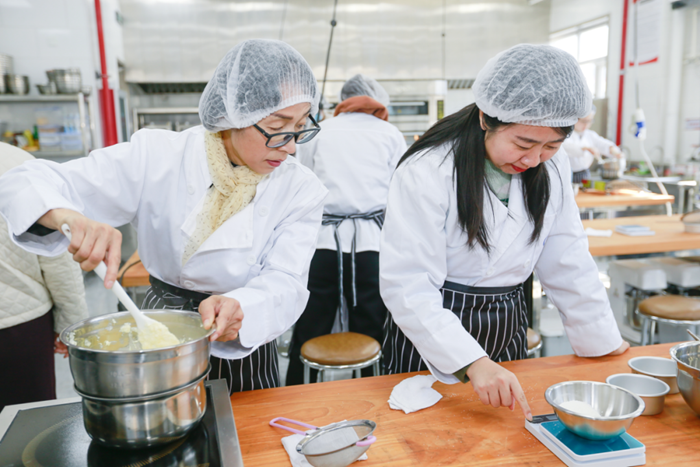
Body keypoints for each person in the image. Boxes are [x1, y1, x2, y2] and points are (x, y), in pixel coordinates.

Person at [0, 39, 328, 394]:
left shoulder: (300, 188)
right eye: (278, 127)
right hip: (159, 329)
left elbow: (286, 280)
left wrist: (242, 307)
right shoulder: (159, 156)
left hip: (244, 337)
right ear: (237, 115)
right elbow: (24, 180)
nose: (291, 146)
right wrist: (68, 216)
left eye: (300, 127)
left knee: (248, 428)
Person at [379, 44, 629, 420]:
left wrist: (604, 344)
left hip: (506, 320)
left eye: (551, 146)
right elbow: (408, 284)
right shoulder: (428, 169)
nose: (533, 159)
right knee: (428, 432)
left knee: (508, 433)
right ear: (486, 118)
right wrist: (471, 361)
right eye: (523, 144)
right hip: (430, 331)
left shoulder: (553, 167)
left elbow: (568, 259)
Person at [286, 75, 407, 385]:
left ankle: (296, 395)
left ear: (344, 100)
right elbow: (400, 192)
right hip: (372, 247)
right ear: (377, 102)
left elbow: (301, 183)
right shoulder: (390, 134)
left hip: (323, 245)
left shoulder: (320, 131)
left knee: (310, 324)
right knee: (372, 328)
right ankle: (373, 393)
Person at [0, 143, 89, 411]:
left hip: (18, 321)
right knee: (27, 424)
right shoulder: (16, 163)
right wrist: (71, 324)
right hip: (18, 328)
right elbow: (57, 258)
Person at [563, 105, 624, 183]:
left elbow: (603, 144)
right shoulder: (565, 134)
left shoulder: (590, 135)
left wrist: (614, 151)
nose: (586, 125)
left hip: (584, 174)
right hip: (568, 173)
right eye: (584, 121)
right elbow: (566, 147)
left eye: (590, 121)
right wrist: (586, 148)